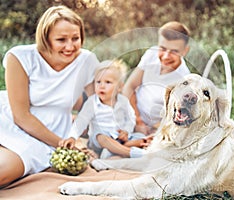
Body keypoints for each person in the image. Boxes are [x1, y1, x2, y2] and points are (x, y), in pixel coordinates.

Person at [0, 5, 100, 188]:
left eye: (76, 38)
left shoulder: (87, 60)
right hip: (10, 120)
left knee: (3, 172)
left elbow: (98, 105)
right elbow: (21, 116)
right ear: (45, 39)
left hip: (45, 137)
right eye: (61, 39)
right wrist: (66, 145)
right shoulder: (20, 57)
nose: (70, 46)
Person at [60, 60, 146, 159]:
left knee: (140, 136)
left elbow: (131, 118)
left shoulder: (123, 101)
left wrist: (126, 131)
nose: (102, 86)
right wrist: (72, 136)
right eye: (98, 82)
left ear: (119, 87)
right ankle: (130, 151)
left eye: (108, 82)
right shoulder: (92, 103)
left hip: (119, 138)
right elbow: (81, 121)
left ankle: (114, 151)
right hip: (99, 142)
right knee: (101, 137)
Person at [122, 21, 191, 135]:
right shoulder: (151, 54)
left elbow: (174, 122)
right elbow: (129, 87)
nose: (165, 56)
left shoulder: (184, 80)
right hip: (131, 115)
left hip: (153, 131)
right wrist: (137, 121)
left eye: (174, 51)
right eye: (162, 48)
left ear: (185, 51)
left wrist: (151, 131)